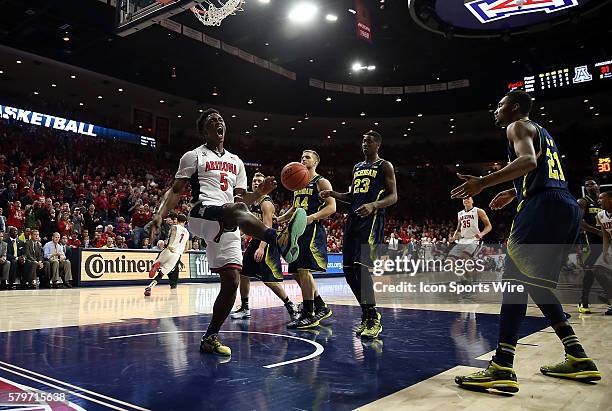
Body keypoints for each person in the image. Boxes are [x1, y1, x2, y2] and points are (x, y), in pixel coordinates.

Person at [451, 90, 600, 393]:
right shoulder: (543, 132)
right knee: (535, 285)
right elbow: (544, 173)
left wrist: (482, 182)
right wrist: (517, 191)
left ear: (515, 108)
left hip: (543, 207)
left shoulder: (517, 125)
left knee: (514, 282)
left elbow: (528, 161)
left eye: (500, 104)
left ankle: (502, 365)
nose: (496, 110)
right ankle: (578, 356)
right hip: (565, 205)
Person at [149, 108, 307, 357]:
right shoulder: (193, 156)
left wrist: (261, 192)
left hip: (229, 219)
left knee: (232, 281)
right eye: (213, 121)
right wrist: (160, 213)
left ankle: (210, 337)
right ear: (204, 130)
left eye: (221, 120)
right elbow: (176, 190)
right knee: (236, 211)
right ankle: (279, 239)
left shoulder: (236, 161)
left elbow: (245, 200)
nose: (219, 123)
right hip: (202, 214)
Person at [320, 130, 398, 339]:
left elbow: (393, 197)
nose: (365, 144)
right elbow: (352, 196)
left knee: (362, 270)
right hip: (353, 220)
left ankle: (373, 318)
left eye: (370, 141)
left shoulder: (384, 166)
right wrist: (332, 193)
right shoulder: (357, 167)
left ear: (378, 145)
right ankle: (367, 314)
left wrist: (374, 205)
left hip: (372, 220)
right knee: (348, 271)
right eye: (363, 140)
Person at [277, 150, 336, 329]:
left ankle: (308, 313)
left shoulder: (321, 182)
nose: (303, 159)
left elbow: (332, 207)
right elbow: (295, 208)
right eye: (302, 156)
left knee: (303, 269)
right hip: (297, 231)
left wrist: (311, 218)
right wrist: (280, 219)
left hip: (312, 229)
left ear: (316, 162)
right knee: (295, 271)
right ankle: (320, 306)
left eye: (307, 157)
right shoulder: (298, 183)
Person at [230, 173, 298, 321]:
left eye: (260, 181)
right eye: (254, 181)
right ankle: (245, 307)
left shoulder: (266, 203)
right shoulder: (251, 202)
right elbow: (247, 224)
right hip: (256, 240)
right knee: (244, 274)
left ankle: (291, 305)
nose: (256, 183)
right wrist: (238, 234)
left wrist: (261, 247)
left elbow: (268, 226)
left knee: (269, 281)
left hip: (267, 242)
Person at [577, 178, 610, 313]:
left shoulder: (603, 203)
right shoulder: (583, 202)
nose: (590, 186)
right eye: (587, 185)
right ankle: (583, 301)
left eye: (592, 184)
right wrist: (597, 232)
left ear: (598, 186)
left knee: (597, 271)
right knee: (591, 272)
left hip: (603, 241)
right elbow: (579, 221)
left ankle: (607, 294)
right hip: (589, 242)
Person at [145, 214, 190, 296]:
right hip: (176, 255)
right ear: (185, 222)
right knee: (162, 274)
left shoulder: (175, 227)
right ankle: (149, 287)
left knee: (157, 262)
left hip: (169, 250)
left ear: (177, 220)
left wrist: (170, 245)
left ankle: (155, 266)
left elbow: (172, 235)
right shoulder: (187, 232)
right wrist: (181, 251)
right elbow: (187, 247)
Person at [593, 191, 612, 315]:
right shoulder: (600, 215)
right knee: (597, 270)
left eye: (601, 198)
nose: (599, 200)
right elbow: (605, 235)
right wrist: (605, 252)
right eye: (598, 198)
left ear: (610, 199)